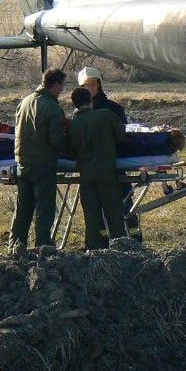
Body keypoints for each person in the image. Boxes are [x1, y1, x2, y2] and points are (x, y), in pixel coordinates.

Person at [76, 66, 140, 237]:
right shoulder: (78, 113)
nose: (90, 88)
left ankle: (135, 240)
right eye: (86, 85)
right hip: (92, 169)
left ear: (99, 85)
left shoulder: (114, 109)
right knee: (95, 213)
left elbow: (124, 136)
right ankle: (103, 244)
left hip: (115, 166)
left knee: (125, 206)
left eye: (93, 84)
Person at [10, 67, 67, 253]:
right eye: (62, 86)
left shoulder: (25, 102)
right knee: (45, 208)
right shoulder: (52, 107)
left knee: (23, 209)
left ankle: (16, 246)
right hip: (42, 165)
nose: (62, 90)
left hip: (22, 163)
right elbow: (57, 141)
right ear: (56, 85)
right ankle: (43, 246)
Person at [68, 86, 127, 250]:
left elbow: (70, 149)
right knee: (114, 216)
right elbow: (122, 134)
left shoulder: (74, 125)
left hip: (86, 176)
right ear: (91, 100)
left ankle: (94, 252)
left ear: (75, 105)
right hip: (107, 174)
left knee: (92, 219)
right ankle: (120, 250)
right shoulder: (106, 116)